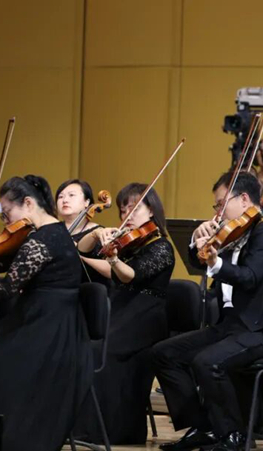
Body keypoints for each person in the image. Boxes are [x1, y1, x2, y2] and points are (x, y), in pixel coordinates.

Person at [152, 171, 263, 451]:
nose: (218, 212)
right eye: (216, 205)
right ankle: (204, 427)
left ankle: (234, 435)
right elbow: (198, 261)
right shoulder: (233, 231)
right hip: (230, 325)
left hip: (261, 329)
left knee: (207, 362)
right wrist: (196, 241)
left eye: (221, 203)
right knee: (163, 353)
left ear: (244, 199)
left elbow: (250, 277)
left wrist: (216, 264)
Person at [0, 175, 92, 451]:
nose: (7, 221)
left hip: (47, 330)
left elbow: (5, 289)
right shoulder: (52, 233)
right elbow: (11, 268)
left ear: (29, 203)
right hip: (46, 319)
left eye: (7, 212)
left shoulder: (41, 241)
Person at [73, 183, 175, 444]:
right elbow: (82, 248)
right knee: (84, 345)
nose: (126, 214)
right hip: (122, 310)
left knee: (99, 350)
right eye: (122, 210)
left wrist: (113, 259)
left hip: (146, 317)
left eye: (134, 208)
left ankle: (107, 430)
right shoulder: (128, 243)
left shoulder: (162, 246)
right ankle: (80, 427)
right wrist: (96, 235)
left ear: (151, 210)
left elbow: (132, 275)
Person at [55, 178, 106, 286]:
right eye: (60, 197)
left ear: (86, 202)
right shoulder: (52, 231)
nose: (65, 200)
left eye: (71, 195)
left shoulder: (98, 233)